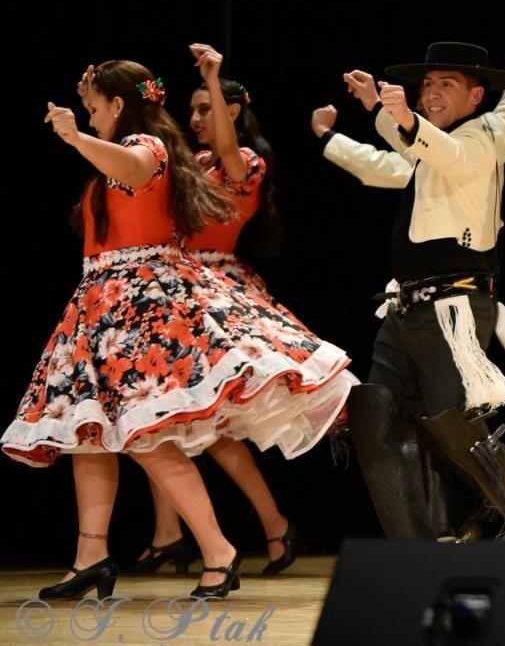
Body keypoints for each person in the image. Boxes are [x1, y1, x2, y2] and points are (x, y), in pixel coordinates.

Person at [5, 60, 355, 601]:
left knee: (146, 436)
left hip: (138, 305)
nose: (91, 118)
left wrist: (75, 137)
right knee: (88, 434)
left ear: (118, 106)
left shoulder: (148, 146)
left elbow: (134, 168)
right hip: (101, 304)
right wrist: (84, 132)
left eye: (96, 108)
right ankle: (90, 558)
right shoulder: (122, 151)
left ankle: (218, 551)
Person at [314, 9, 505, 545]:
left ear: (476, 95)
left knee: (452, 419)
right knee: (374, 414)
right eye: (426, 84)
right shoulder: (430, 152)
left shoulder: (483, 140)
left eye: (445, 83)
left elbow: (471, 134)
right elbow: (392, 160)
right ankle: (419, 546)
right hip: (406, 308)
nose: (430, 93)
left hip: (454, 306)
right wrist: (355, 121)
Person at [129, 44, 316, 577]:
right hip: (176, 292)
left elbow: (230, 149)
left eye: (205, 109)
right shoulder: (198, 162)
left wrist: (212, 77)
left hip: (216, 295)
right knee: (160, 415)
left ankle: (272, 525)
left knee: (213, 430)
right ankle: (171, 534)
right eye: (191, 110)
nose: (195, 119)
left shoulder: (245, 161)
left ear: (232, 111)